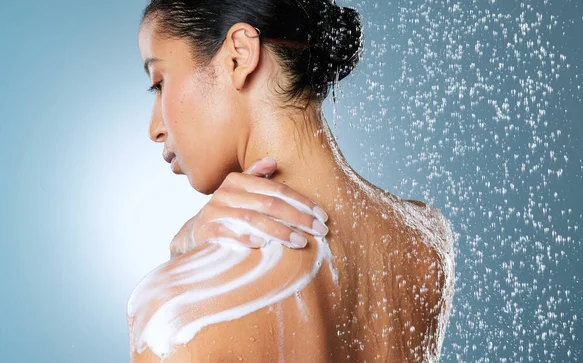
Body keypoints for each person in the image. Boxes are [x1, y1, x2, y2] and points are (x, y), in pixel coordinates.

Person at [127, 0, 455, 362]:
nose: (155, 128)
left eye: (158, 83)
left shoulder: (179, 311)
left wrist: (186, 264)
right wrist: (186, 247)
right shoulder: (426, 241)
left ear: (239, 55)